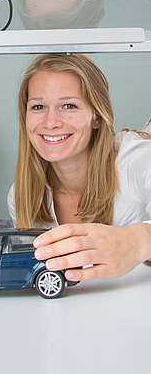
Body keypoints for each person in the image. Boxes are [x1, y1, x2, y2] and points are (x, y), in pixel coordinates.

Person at [9, 53, 151, 282]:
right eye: (38, 107)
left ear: (96, 116)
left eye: (68, 106)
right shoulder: (20, 197)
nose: (50, 122)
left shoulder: (137, 159)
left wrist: (139, 241)